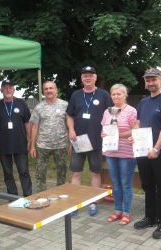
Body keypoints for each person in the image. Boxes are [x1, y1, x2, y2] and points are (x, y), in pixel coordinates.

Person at [128, 68, 161, 239]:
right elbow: (138, 123)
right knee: (147, 185)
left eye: (153, 79)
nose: (150, 83)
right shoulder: (143, 102)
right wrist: (134, 137)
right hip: (142, 151)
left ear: (160, 80)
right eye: (148, 80)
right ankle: (150, 217)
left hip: (160, 152)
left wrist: (156, 149)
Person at [66, 66, 112, 216]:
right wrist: (71, 130)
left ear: (95, 77)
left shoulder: (103, 95)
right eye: (85, 75)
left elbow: (111, 115)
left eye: (90, 75)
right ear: (81, 78)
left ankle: (93, 202)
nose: (87, 78)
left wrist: (108, 131)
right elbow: (69, 115)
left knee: (95, 173)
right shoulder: (76, 95)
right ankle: (74, 204)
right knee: (76, 173)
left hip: (96, 141)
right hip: (79, 140)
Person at [101, 84, 137, 225]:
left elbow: (135, 130)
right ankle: (117, 210)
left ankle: (127, 213)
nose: (116, 96)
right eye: (113, 94)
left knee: (125, 184)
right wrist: (104, 134)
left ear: (125, 95)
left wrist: (118, 135)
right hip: (111, 152)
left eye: (119, 94)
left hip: (126, 153)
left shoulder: (131, 111)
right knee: (115, 183)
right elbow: (103, 131)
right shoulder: (107, 112)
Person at [0, 79, 32, 197]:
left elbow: (27, 123)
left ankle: (28, 195)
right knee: (8, 172)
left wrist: (30, 141)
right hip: (3, 145)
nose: (8, 90)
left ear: (14, 89)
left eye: (10, 87)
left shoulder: (21, 103)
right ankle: (12, 196)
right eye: (5, 88)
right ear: (1, 90)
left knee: (24, 171)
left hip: (20, 144)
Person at [30, 81, 69, 192]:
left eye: (51, 88)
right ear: (43, 92)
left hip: (61, 145)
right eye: (46, 89)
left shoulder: (65, 105)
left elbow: (69, 123)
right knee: (40, 173)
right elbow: (34, 127)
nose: (49, 91)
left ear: (56, 90)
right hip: (43, 145)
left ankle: (61, 193)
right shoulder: (38, 107)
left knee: (62, 172)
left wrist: (71, 143)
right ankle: (42, 195)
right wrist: (32, 146)